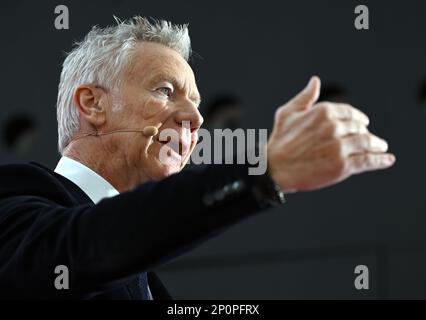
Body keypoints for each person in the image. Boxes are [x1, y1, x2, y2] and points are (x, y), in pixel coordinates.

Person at [0, 16, 395, 299]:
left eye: (196, 103)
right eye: (165, 90)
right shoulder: (16, 203)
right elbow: (87, 246)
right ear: (93, 104)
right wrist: (264, 172)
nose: (195, 118)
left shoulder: (148, 280)